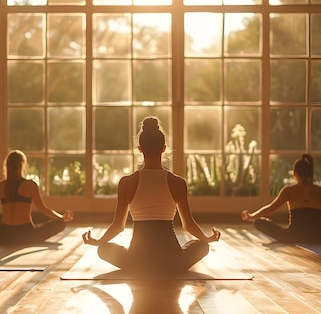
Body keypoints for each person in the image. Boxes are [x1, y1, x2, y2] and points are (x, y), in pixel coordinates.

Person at [82, 116, 221, 276]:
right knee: (202, 246)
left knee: (103, 249)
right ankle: (166, 265)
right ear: (164, 148)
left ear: (140, 149)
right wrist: (206, 238)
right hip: (172, 262)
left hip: (137, 261)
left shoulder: (127, 182)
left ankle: (142, 266)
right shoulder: (177, 182)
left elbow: (118, 226)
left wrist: (99, 241)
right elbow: (188, 225)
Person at [241, 153, 321, 243]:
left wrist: (252, 216)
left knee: (259, 222)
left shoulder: (289, 190)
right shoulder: (320, 191)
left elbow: (270, 208)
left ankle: (257, 220)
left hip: (294, 236)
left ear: (295, 173)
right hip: (320, 236)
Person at [0, 150, 73, 244]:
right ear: (22, 165)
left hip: (4, 236)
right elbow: (43, 209)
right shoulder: (30, 185)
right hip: (27, 235)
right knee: (60, 224)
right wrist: (61, 217)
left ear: (7, 166)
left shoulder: (0, 186)